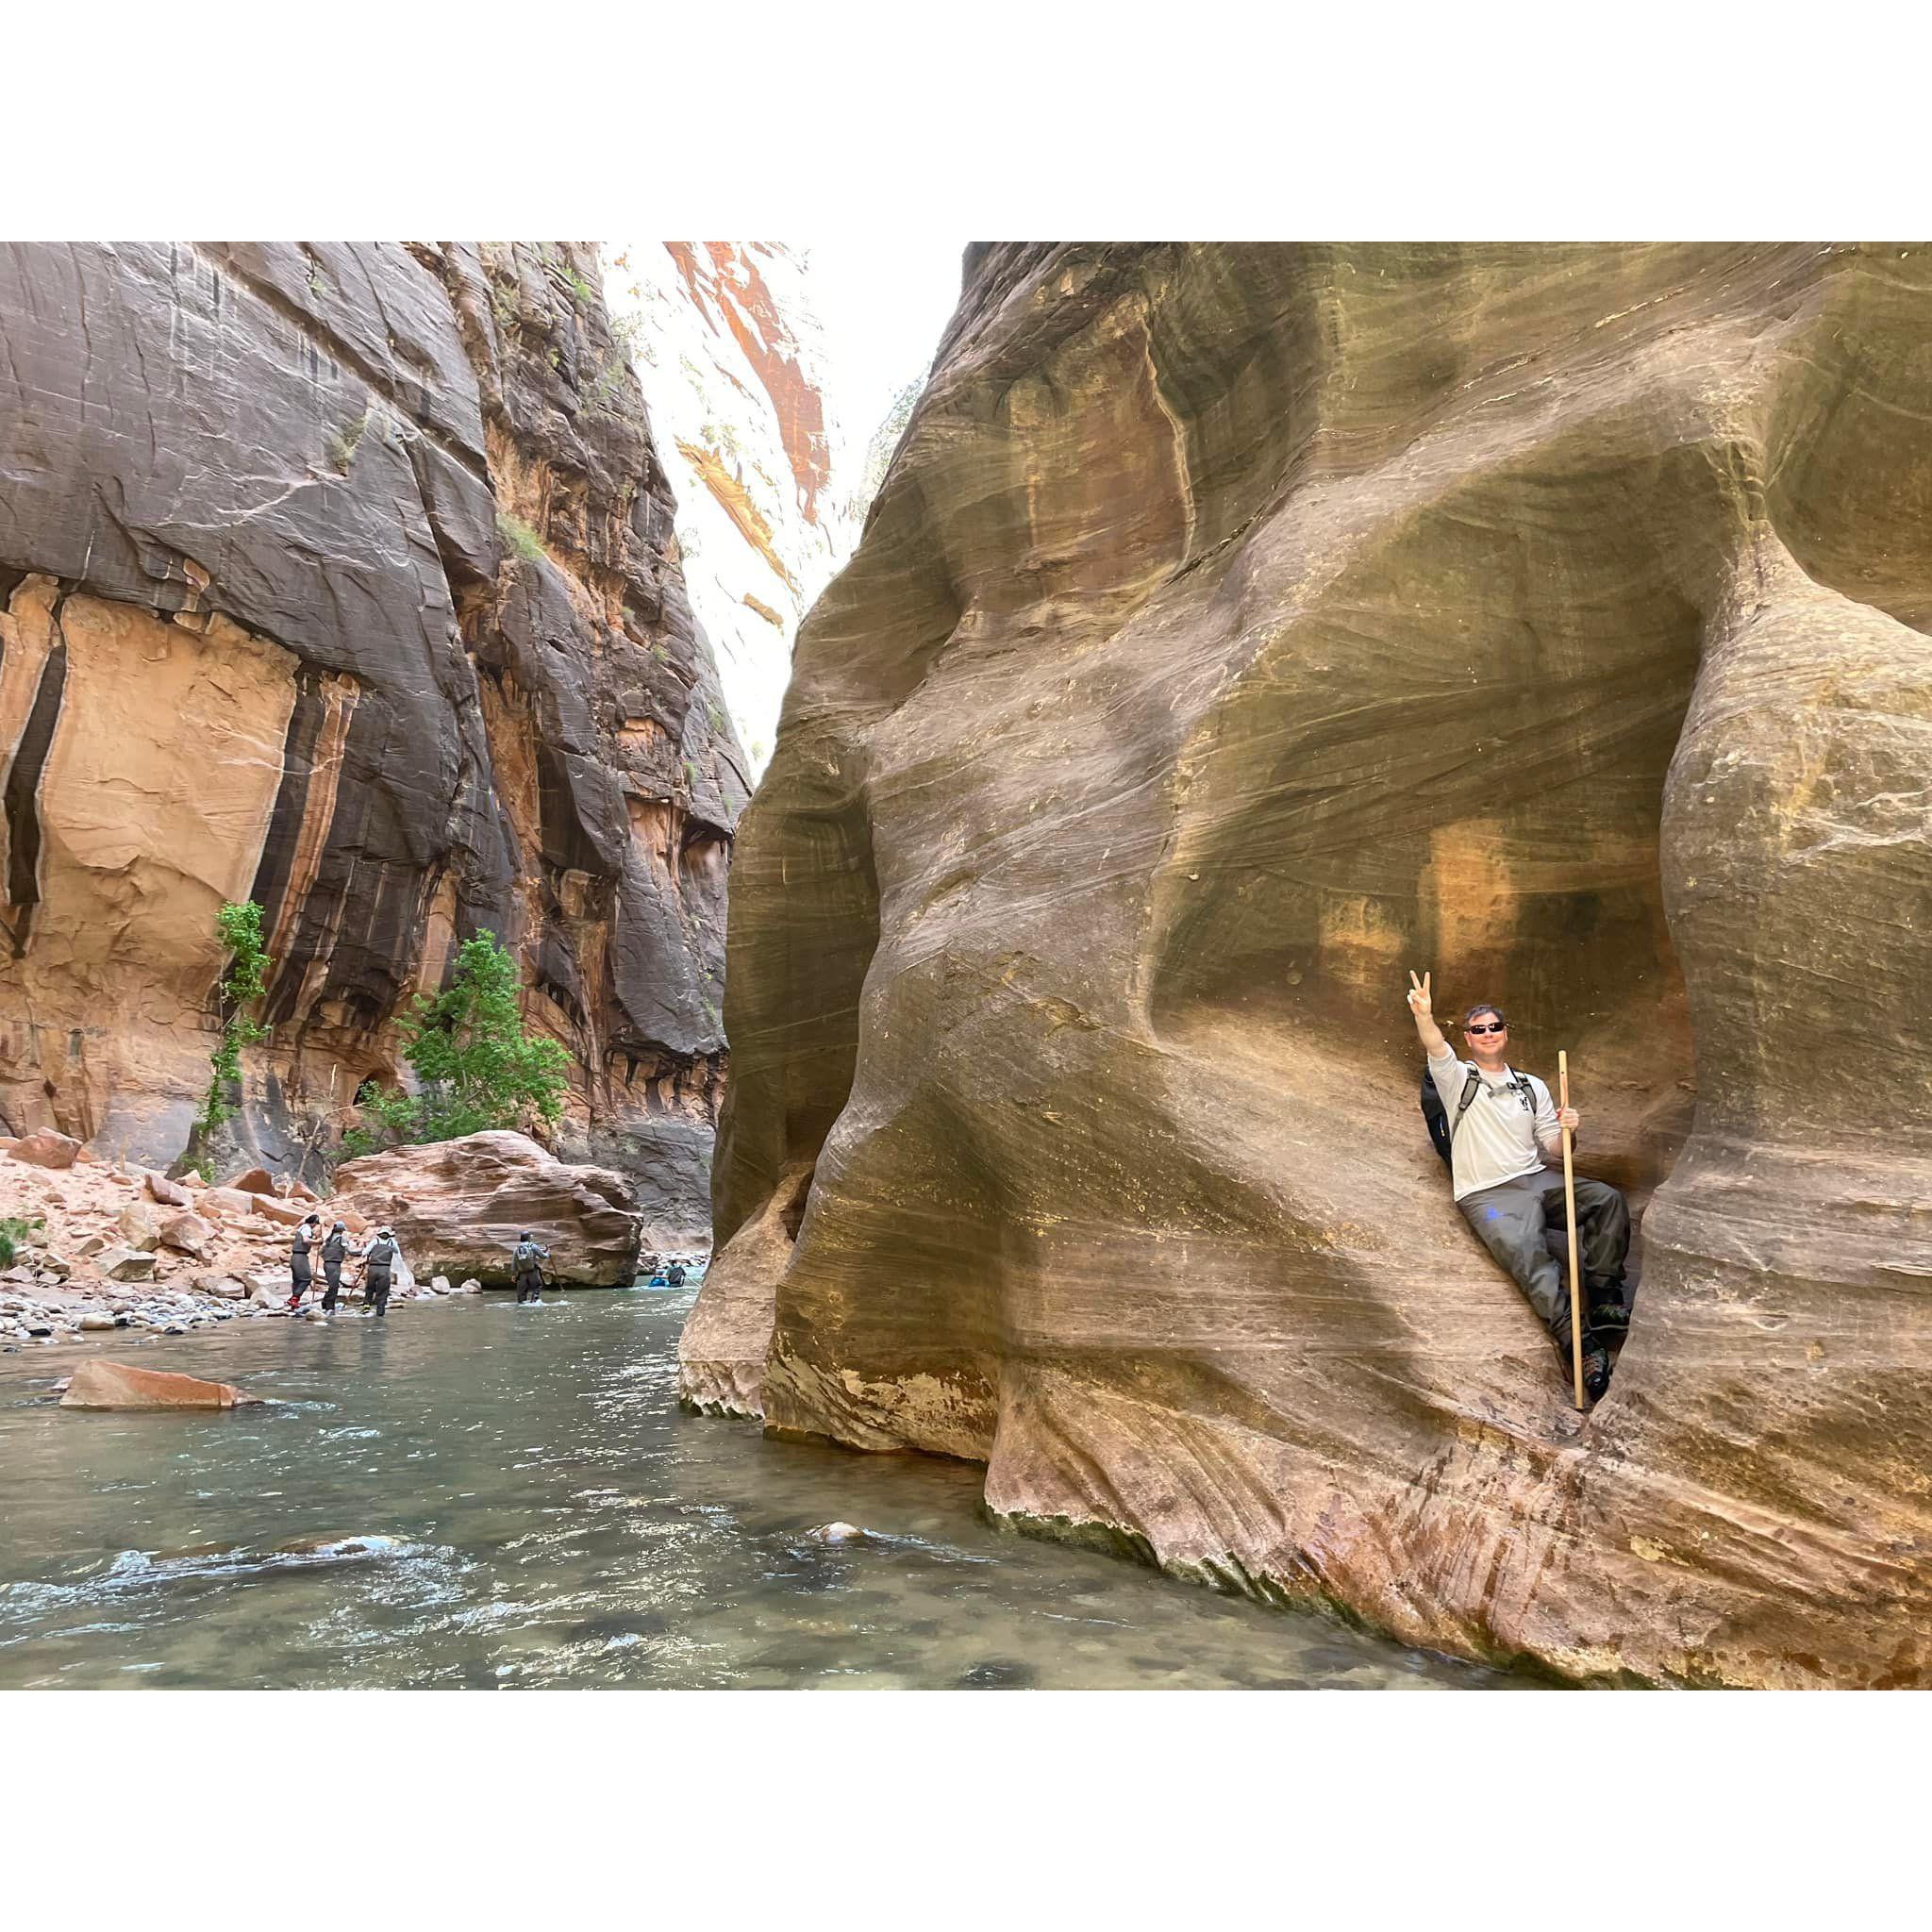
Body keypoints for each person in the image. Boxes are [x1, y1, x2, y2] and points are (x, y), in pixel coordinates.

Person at [1406, 970, 1630, 1403]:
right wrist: (1424, 1015)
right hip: (1488, 1194)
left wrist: (1569, 1131)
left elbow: (1554, 1147)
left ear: (1506, 1033)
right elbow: (1435, 1046)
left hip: (1536, 1179)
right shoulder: (1457, 1079)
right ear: (1469, 1038)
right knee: (1530, 1256)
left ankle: (1605, 1296)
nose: (1488, 1034)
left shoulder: (1532, 1086)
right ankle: (1580, 1346)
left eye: (1495, 1026)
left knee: (1607, 1200)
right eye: (1478, 1029)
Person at [320, 1221, 360, 1314]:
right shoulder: (342, 1239)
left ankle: (326, 1303)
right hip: (335, 1265)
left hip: (326, 1264)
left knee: (332, 1285)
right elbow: (350, 1251)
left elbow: (321, 1252)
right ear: (342, 1230)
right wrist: (362, 1252)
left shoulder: (328, 1240)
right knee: (334, 1286)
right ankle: (329, 1305)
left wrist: (328, 1257)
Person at [362, 1225, 399, 1319]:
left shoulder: (375, 1241)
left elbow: (364, 1253)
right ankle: (380, 1311)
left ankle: (366, 1307)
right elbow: (396, 1251)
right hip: (385, 1269)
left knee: (370, 1288)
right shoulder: (391, 1242)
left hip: (373, 1268)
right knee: (383, 1290)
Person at [287, 1213, 322, 1310]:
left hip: (295, 1256)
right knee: (306, 1278)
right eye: (315, 1224)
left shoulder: (302, 1228)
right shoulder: (306, 1228)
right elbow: (306, 1240)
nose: (315, 1226)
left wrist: (314, 1238)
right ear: (313, 1222)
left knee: (297, 1280)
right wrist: (318, 1241)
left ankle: (294, 1302)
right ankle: (294, 1299)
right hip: (300, 1256)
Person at [512, 1231, 550, 1305]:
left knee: (521, 1292)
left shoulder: (516, 1248)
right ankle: (534, 1302)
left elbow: (514, 1262)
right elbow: (543, 1256)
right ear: (528, 1238)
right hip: (532, 1272)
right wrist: (548, 1253)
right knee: (537, 1287)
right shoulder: (532, 1246)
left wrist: (514, 1274)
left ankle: (522, 1304)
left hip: (521, 1274)